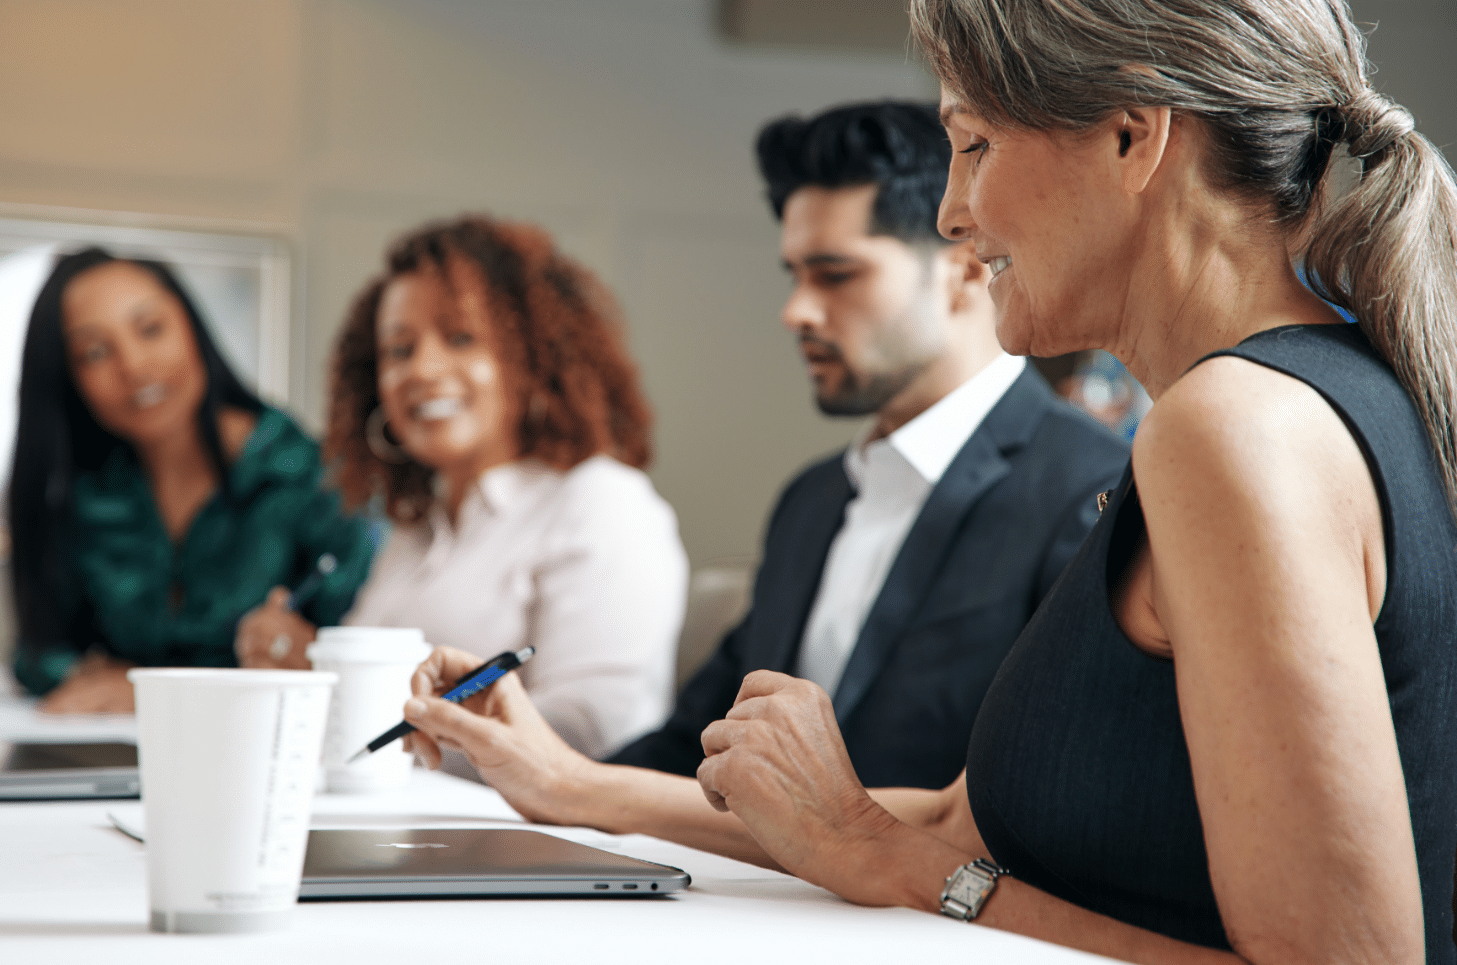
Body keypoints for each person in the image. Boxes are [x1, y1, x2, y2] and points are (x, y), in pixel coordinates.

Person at [681, 1, 1456, 962]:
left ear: (1134, 136)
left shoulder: (1232, 429)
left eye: (974, 146)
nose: (950, 212)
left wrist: (881, 858)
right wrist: (563, 786)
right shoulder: (1303, 399)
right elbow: (960, 821)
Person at [391, 101, 1126, 850]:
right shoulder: (812, 503)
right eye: (796, 275)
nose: (797, 310)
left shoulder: (1091, 492)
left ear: (966, 267)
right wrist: (527, 762)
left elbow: (1022, 816)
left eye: (835, 274)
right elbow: (692, 746)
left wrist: (576, 787)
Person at [237, 216, 686, 762]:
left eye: (460, 338)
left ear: (533, 356)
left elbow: (592, 731)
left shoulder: (603, 502)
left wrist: (390, 714)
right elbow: (357, 716)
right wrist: (304, 664)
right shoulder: (415, 530)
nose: (423, 369)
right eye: (398, 351)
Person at [7, 247, 374, 713]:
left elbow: (367, 662)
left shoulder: (308, 479)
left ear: (192, 327)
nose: (134, 366)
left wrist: (150, 691)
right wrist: (98, 680)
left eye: (150, 329)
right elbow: (39, 653)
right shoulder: (88, 494)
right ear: (68, 378)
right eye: (94, 352)